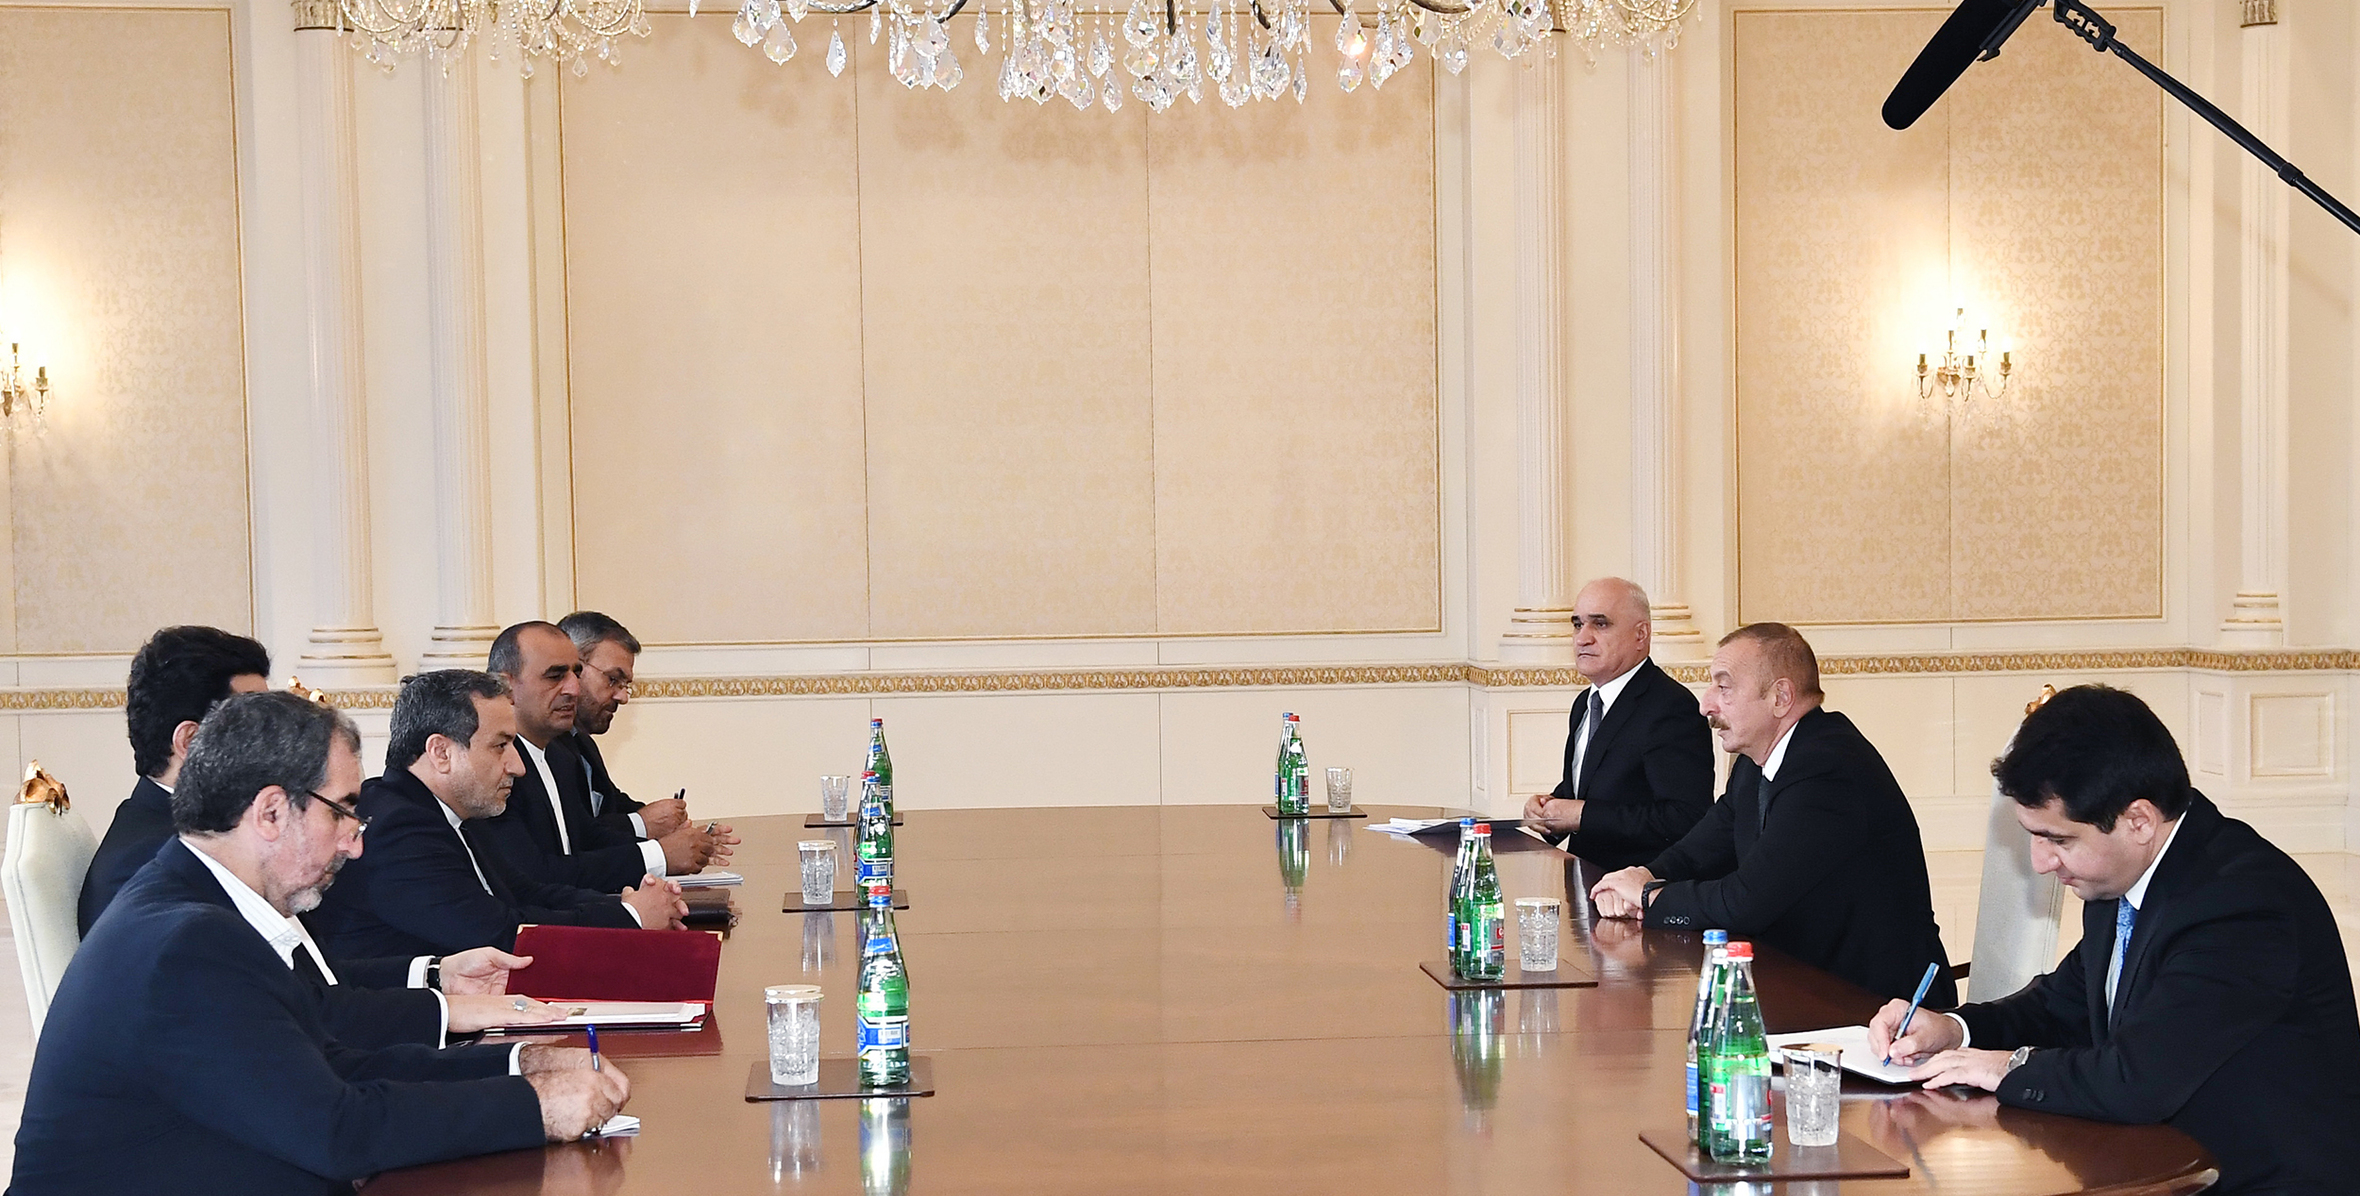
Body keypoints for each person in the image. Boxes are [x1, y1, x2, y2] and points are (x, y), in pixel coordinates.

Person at [10, 691, 629, 1195]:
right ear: (271, 813)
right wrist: (534, 1109)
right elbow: (339, 1132)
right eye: (343, 812)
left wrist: (522, 1065)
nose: (355, 844)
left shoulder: (201, 904)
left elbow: (334, 1066)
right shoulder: (187, 943)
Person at [1870, 685, 2360, 1196]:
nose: (2040, 861)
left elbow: (2136, 1080)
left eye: (2058, 839)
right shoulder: (2124, 875)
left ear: (2139, 821)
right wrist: (1954, 1029)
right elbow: (2062, 1007)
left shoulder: (2242, 907)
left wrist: (2007, 1067)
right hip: (2161, 1160)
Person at [1590, 622, 1954, 1005]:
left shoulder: (1827, 768)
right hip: (1809, 989)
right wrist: (1639, 878)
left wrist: (1647, 896)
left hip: (1881, 1006)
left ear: (1781, 697)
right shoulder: (1755, 763)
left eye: (1724, 687)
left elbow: (1745, 902)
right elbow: (1699, 851)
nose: (1705, 705)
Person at [306, 670, 685, 961]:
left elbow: (528, 892)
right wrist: (630, 918)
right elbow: (497, 936)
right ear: (441, 753)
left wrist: (625, 904)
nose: (517, 766)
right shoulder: (397, 828)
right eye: (501, 745)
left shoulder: (452, 812)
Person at [474, 621, 725, 892]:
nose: (573, 689)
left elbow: (588, 841)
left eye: (576, 674)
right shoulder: (491, 768)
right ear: (507, 685)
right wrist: (659, 856)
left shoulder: (559, 756)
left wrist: (680, 846)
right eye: (555, 676)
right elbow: (536, 876)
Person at [78, 625, 269, 935]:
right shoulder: (153, 859)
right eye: (258, 724)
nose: (274, 741)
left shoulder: (180, 829)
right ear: (190, 742)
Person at [1519, 578, 1714, 869]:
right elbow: (1593, 789)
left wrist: (1581, 815)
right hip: (1585, 876)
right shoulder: (1585, 702)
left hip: (1640, 884)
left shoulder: (1671, 707)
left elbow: (1685, 818)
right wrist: (1548, 809)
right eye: (1577, 624)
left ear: (1641, 634)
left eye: (1600, 624)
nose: (1582, 638)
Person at [558, 611, 727, 855]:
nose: (622, 697)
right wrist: (643, 825)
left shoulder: (581, 741)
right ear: (573, 668)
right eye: (613, 679)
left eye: (625, 685)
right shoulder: (542, 745)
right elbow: (574, 837)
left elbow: (613, 805)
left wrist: (675, 832)